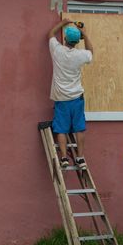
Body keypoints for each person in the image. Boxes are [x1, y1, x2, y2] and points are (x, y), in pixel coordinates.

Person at [48, 19, 93, 169]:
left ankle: (64, 158)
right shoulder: (80, 55)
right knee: (79, 127)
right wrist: (84, 33)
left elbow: (50, 34)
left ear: (66, 39)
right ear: (76, 41)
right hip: (76, 98)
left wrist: (63, 23)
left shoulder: (57, 50)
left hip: (61, 98)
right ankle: (80, 158)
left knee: (61, 128)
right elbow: (91, 52)